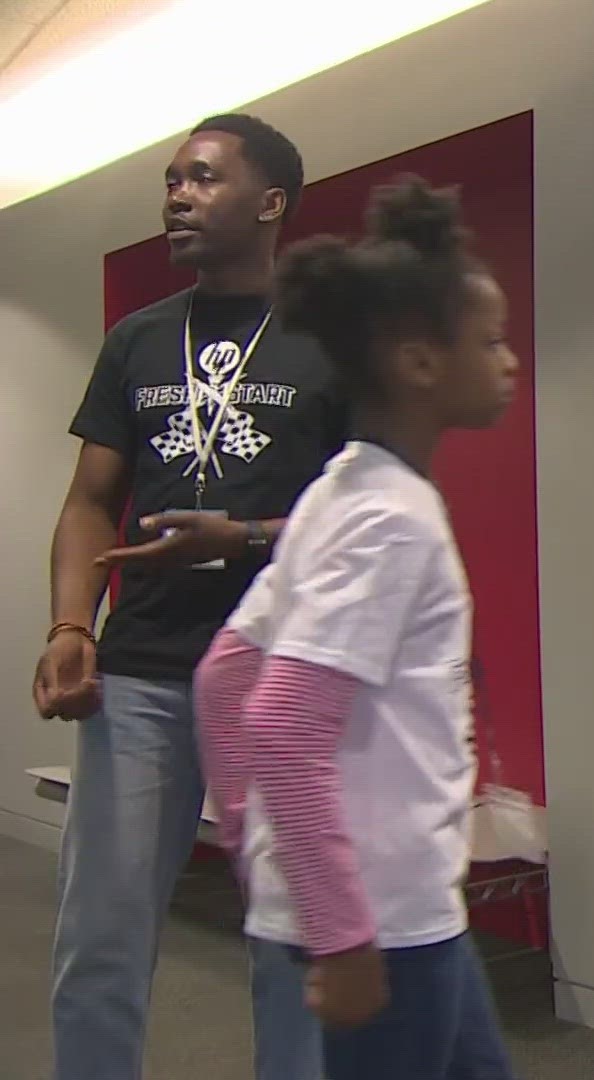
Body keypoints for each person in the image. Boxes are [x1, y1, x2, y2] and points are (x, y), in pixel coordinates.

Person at [193, 175, 520, 1079]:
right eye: (490, 342)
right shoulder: (391, 520)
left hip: (406, 903)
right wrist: (335, 932)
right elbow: (283, 723)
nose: (509, 361)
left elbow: (224, 677)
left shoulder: (336, 493)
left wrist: (263, 859)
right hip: (383, 918)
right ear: (418, 361)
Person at [32, 113, 334, 1080]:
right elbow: (88, 500)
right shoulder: (138, 340)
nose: (177, 196)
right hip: (142, 676)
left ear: (272, 202)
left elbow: (381, 523)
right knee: (100, 939)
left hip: (284, 680)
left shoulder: (339, 340)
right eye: (172, 180)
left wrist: (244, 537)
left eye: (203, 178)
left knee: (293, 950)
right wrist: (72, 623)